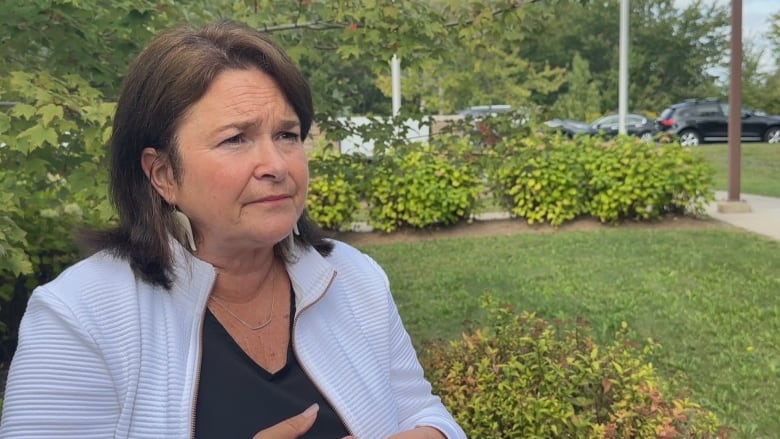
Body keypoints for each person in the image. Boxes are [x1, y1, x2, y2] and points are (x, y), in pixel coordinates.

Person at [0, 20, 466, 439]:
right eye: (235, 139)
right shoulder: (80, 316)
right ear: (162, 174)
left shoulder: (354, 278)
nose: (276, 164)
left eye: (287, 135)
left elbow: (422, 411)